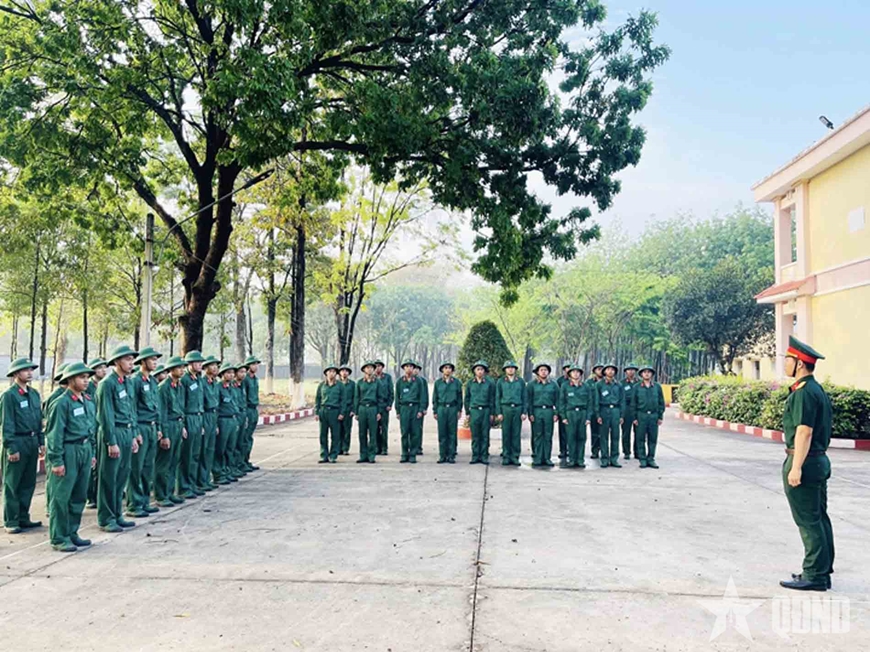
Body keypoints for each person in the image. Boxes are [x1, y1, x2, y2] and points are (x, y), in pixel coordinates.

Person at [779, 336, 835, 592]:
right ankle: (822, 569)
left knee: (808, 520)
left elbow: (804, 431)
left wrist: (796, 467)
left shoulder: (804, 392)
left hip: (806, 460)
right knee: (819, 517)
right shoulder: (816, 389)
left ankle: (814, 575)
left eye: (788, 360)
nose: (785, 364)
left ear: (800, 363)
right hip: (818, 460)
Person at [45, 362, 97, 552]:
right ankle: (59, 537)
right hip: (68, 451)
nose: (86, 380)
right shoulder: (62, 403)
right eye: (81, 377)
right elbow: (55, 434)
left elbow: (91, 428)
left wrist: (92, 452)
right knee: (61, 496)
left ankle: (72, 532)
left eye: (87, 377)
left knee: (79, 495)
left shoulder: (88, 401)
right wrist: (57, 461)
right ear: (70, 379)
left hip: (84, 449)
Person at [96, 344, 139, 532]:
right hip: (113, 433)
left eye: (132, 359)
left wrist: (134, 435)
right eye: (127, 359)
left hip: (127, 432)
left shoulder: (128, 382)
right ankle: (106, 518)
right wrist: (111, 442)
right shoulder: (107, 384)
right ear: (117, 362)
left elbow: (131, 410)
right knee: (109, 477)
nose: (131, 363)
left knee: (122, 475)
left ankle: (117, 514)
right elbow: (105, 415)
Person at [2, 357, 43, 534]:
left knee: (28, 482)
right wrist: (11, 447)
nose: (30, 372)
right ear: (16, 373)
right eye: (26, 370)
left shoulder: (34, 394)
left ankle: (23, 517)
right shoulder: (9, 396)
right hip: (17, 441)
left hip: (32, 441)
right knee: (13, 484)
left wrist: (41, 441)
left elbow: (38, 419)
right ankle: (11, 520)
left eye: (31, 369)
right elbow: (7, 423)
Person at [127, 346, 163, 518]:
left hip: (151, 426)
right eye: (152, 359)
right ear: (143, 361)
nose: (155, 362)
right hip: (140, 426)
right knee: (137, 467)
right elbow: (132, 408)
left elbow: (157, 407)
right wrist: (135, 432)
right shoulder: (136, 381)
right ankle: (134, 504)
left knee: (148, 467)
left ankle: (144, 501)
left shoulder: (153, 382)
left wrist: (159, 428)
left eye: (156, 360)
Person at [155, 356, 186, 507]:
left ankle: (170, 492)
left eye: (183, 367)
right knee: (164, 463)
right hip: (169, 425)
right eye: (179, 367)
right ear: (171, 369)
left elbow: (181, 408)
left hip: (178, 425)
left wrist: (183, 426)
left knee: (174, 461)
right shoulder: (163, 387)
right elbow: (162, 413)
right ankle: (161, 495)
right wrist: (165, 435)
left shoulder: (179, 386)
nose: (182, 370)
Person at [178, 350, 206, 498]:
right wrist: (183, 424)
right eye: (197, 362)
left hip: (198, 417)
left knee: (195, 454)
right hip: (189, 418)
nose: (200, 365)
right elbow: (181, 403)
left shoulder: (199, 379)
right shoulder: (185, 380)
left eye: (201, 362)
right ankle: (184, 487)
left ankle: (192, 484)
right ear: (189, 364)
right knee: (187, 455)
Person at [43, 362, 69, 518]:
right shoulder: (56, 397)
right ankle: (50, 506)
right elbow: (51, 424)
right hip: (57, 442)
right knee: (53, 480)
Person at [559, 364, 595, 469]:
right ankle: (572, 459)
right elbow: (562, 402)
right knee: (571, 437)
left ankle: (580, 460)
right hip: (570, 413)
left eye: (577, 372)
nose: (575, 374)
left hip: (582, 413)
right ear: (569, 374)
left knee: (581, 437)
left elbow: (590, 403)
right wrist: (563, 416)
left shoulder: (585, 386)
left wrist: (588, 417)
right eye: (573, 372)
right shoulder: (565, 386)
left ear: (580, 374)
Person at [526, 363, 559, 468]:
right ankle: (538, 457)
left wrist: (556, 413)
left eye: (545, 370)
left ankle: (547, 458)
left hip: (549, 411)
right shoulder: (532, 384)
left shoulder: (553, 384)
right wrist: (530, 413)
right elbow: (528, 400)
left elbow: (558, 400)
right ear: (537, 372)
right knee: (537, 435)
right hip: (537, 410)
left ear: (548, 372)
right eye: (541, 370)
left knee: (548, 435)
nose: (543, 372)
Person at [85, 357, 107, 509]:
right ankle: (91, 495)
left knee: (101, 464)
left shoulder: (105, 385)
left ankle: (99, 493)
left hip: (101, 427)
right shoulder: (88, 388)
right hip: (91, 427)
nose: (103, 370)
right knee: (92, 465)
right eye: (99, 368)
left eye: (104, 367)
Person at [632, 366, 664, 469]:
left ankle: (651, 458)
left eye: (649, 372)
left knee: (652, 438)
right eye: (644, 372)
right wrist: (634, 418)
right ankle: (642, 459)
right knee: (640, 438)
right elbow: (633, 403)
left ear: (652, 374)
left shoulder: (657, 387)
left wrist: (660, 416)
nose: (646, 374)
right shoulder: (636, 387)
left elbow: (661, 402)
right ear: (641, 374)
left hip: (653, 416)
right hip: (641, 415)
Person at [464, 361, 495, 465]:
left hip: (486, 410)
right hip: (474, 411)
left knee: (485, 434)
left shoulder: (489, 383)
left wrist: (492, 413)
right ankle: (475, 455)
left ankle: (484, 455)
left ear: (485, 371)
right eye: (478, 369)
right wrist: (467, 412)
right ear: (474, 371)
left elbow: (492, 398)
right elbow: (467, 398)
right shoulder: (470, 383)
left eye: (482, 369)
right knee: (475, 434)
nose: (480, 371)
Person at [496, 361, 526, 467]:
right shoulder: (501, 381)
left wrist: (524, 412)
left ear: (515, 369)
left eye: (512, 367)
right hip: (505, 409)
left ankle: (515, 456)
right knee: (506, 433)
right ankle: (506, 456)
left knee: (516, 434)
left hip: (517, 408)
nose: (510, 369)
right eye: (508, 367)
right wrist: (499, 412)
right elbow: (497, 397)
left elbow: (524, 397)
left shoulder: (520, 381)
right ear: (505, 370)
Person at [395, 360, 424, 463]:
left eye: (411, 366)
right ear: (404, 368)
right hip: (404, 408)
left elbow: (422, 396)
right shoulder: (400, 381)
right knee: (404, 432)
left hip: (415, 408)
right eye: (407, 366)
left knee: (415, 433)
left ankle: (412, 454)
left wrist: (421, 410)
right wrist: (398, 411)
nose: (409, 368)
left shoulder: (418, 381)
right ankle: (404, 454)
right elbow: (397, 397)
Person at [215, 362, 240, 483]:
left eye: (232, 373)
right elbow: (216, 406)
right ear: (222, 374)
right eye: (228, 373)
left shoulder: (232, 388)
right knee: (221, 448)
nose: (231, 375)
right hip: (223, 420)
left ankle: (228, 471)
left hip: (232, 419)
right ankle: (219, 473)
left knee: (230, 448)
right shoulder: (218, 387)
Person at [433, 362, 462, 464]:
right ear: (442, 370)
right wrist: (435, 411)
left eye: (450, 368)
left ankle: (451, 455)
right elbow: (435, 398)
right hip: (441, 408)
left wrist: (459, 410)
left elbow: (459, 397)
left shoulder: (457, 382)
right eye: (445, 368)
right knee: (442, 432)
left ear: (452, 370)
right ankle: (442, 455)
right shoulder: (438, 383)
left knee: (452, 433)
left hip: (452, 408)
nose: (448, 370)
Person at [353, 361, 382, 464]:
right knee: (362, 433)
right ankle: (363, 455)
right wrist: (356, 412)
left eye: (371, 368)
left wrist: (379, 412)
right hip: (362, 408)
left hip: (373, 408)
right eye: (367, 368)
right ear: (364, 370)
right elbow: (356, 397)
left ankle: (371, 455)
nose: (369, 369)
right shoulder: (360, 382)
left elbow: (380, 397)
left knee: (373, 433)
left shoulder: (377, 382)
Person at [596, 363, 624, 469]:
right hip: (604, 410)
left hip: (616, 411)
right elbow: (596, 400)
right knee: (603, 436)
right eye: (608, 369)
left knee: (615, 436)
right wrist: (598, 415)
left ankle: (614, 459)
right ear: (604, 372)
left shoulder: (619, 385)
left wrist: (622, 415)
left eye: (612, 369)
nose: (610, 371)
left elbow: (622, 401)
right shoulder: (599, 385)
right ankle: (604, 459)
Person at [200, 355, 221, 490]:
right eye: (212, 365)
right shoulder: (202, 382)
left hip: (213, 416)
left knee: (210, 450)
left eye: (216, 365)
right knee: (203, 450)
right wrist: (202, 423)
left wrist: (216, 423)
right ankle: (201, 480)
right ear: (206, 368)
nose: (215, 368)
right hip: (205, 416)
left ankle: (207, 479)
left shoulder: (214, 383)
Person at [315, 364, 344, 463]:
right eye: (330, 371)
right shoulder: (321, 385)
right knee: (323, 435)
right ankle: (324, 455)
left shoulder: (340, 385)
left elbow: (343, 400)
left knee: (335, 435)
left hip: (335, 412)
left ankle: (333, 455)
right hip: (323, 411)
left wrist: (342, 413)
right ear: (326, 373)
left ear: (336, 374)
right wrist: (317, 412)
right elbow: (318, 399)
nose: (332, 373)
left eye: (334, 372)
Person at [241, 356, 261, 472]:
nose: (256, 366)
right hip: (247, 409)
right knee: (245, 437)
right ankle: (242, 462)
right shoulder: (245, 379)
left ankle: (246, 460)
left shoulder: (255, 379)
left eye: (257, 364)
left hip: (254, 409)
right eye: (253, 364)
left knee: (249, 438)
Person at [374, 359, 393, 455]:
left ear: (382, 367)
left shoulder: (387, 377)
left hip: (384, 405)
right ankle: (377, 448)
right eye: (376, 366)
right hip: (374, 406)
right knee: (375, 428)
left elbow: (391, 392)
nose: (378, 368)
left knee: (384, 428)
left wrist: (389, 404)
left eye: (379, 366)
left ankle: (384, 448)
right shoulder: (371, 378)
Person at [621, 363, 640, 460]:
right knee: (626, 432)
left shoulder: (640, 383)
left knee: (639, 432)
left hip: (637, 409)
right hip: (627, 409)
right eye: (629, 370)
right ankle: (626, 452)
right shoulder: (621, 383)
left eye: (633, 370)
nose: (631, 372)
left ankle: (638, 452)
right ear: (625, 372)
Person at [232, 366, 248, 476]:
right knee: (232, 444)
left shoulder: (241, 385)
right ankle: (231, 467)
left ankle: (239, 465)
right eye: (241, 372)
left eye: (244, 372)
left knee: (241, 442)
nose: (243, 374)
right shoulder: (232, 386)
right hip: (234, 415)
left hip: (242, 413)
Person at [586, 364, 604, 459]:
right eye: (598, 369)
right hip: (593, 410)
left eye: (602, 369)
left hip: (605, 410)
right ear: (594, 371)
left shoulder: (607, 382)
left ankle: (604, 451)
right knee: (594, 432)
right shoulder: (589, 382)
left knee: (604, 432)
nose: (600, 371)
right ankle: (595, 451)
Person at [412, 361, 429, 455]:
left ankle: (418, 447)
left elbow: (425, 395)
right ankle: (411, 446)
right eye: (414, 368)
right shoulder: (406, 380)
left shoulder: (422, 381)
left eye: (417, 369)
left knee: (418, 428)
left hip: (419, 407)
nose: (415, 370)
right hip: (409, 407)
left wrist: (424, 408)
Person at [339, 364, 356, 456]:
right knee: (338, 430)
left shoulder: (352, 384)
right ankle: (338, 448)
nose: (344, 372)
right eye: (342, 371)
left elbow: (355, 397)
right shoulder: (337, 383)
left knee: (347, 430)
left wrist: (353, 410)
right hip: (338, 409)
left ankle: (345, 448)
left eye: (346, 371)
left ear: (349, 373)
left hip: (348, 409)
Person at [556, 364, 571, 464]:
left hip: (573, 409)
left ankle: (571, 450)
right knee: (562, 431)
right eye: (567, 369)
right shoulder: (560, 381)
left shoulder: (578, 381)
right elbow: (558, 396)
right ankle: (563, 450)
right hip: (563, 409)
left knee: (572, 432)